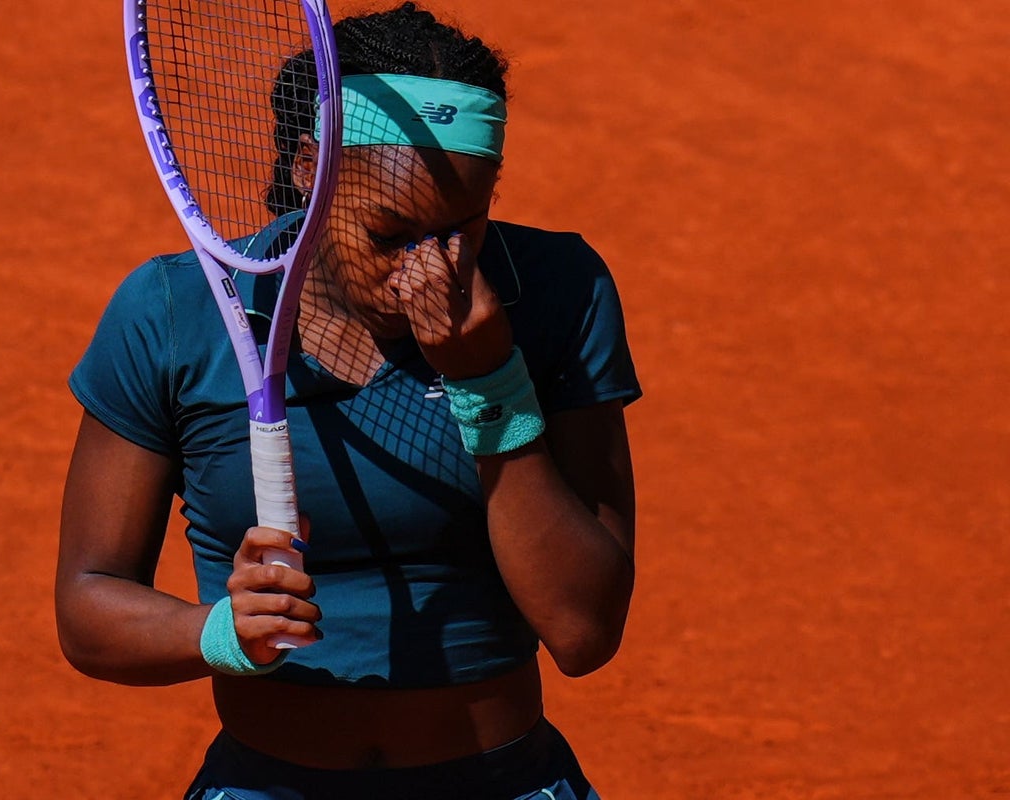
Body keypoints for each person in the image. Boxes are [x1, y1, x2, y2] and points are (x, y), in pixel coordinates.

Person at [56, 3, 641, 798]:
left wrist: (489, 383)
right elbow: (87, 607)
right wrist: (217, 632)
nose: (426, 272)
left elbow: (583, 630)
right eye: (389, 234)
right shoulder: (172, 314)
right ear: (311, 168)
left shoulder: (555, 292)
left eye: (463, 230)